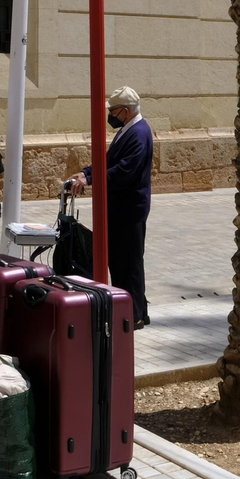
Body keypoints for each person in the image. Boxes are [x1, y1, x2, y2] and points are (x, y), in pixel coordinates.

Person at [67, 87, 153, 326]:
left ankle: (134, 314)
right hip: (121, 207)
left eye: (113, 111)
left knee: (129, 262)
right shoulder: (128, 129)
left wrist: (91, 179)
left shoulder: (139, 133)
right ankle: (134, 310)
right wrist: (86, 172)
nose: (110, 115)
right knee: (120, 260)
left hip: (129, 209)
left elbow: (124, 170)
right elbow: (109, 160)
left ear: (125, 111)